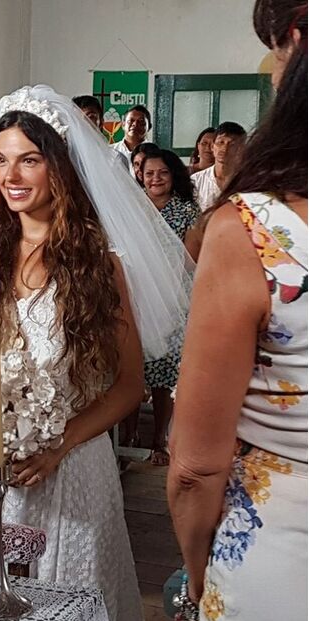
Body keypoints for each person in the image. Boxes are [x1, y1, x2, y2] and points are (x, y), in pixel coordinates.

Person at [0, 86, 192, 620]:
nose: (11, 176)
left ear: (60, 165)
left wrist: (58, 447)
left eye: (29, 160)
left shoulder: (101, 264)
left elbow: (129, 386)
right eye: (1, 160)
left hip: (74, 469)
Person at [168, 1, 307, 618]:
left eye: (275, 54)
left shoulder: (253, 229)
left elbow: (195, 468)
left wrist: (199, 574)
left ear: (296, 42)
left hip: (282, 551)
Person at [121, 148, 201, 465]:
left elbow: (188, 260)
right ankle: (128, 435)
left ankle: (159, 438)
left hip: (173, 298)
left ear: (174, 176)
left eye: (163, 173)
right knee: (133, 366)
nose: (155, 179)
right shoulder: (131, 209)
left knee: (164, 372)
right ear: (140, 175)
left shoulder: (187, 212)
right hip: (137, 293)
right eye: (149, 173)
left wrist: (160, 282)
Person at [191, 121, 247, 211]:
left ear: (241, 149)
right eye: (220, 142)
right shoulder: (196, 181)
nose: (224, 148)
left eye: (232, 145)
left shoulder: (247, 181)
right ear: (213, 147)